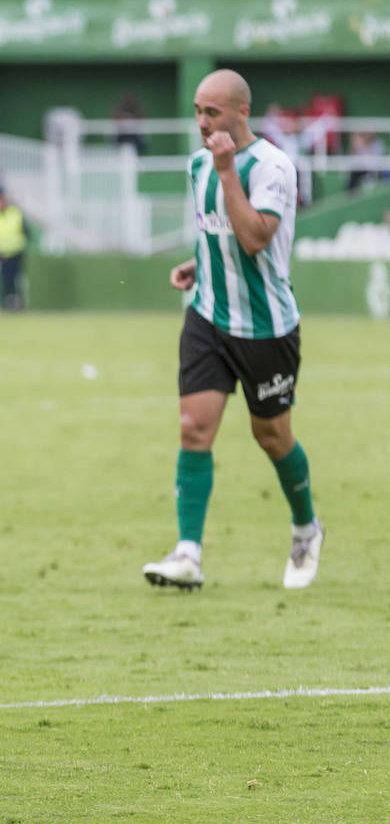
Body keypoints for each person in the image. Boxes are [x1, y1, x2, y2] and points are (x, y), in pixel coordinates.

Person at [143, 69, 321, 592]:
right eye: (197, 111)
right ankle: (188, 554)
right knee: (194, 428)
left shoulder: (273, 167)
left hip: (266, 327)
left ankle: (306, 528)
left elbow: (254, 240)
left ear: (242, 112)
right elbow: (217, 235)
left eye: (212, 112)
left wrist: (227, 172)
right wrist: (198, 265)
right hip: (208, 317)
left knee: (271, 436)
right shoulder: (198, 163)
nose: (202, 123)